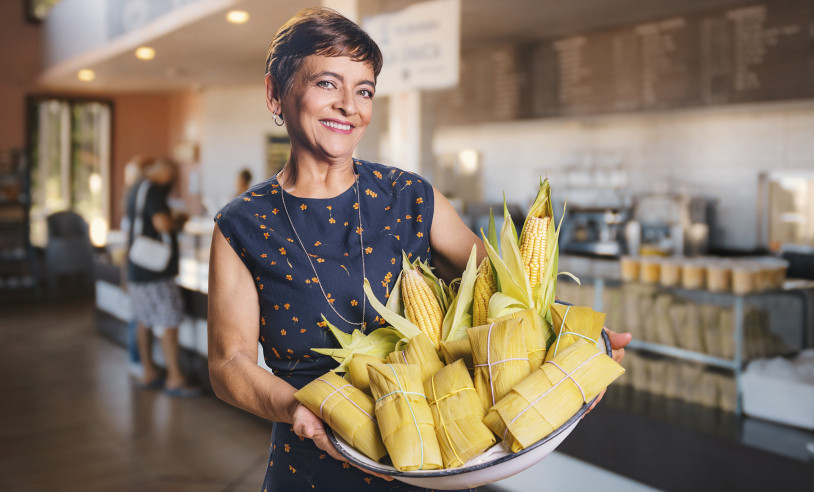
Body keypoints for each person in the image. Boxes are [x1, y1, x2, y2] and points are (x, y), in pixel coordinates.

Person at [207, 7, 630, 491]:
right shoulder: (242, 224)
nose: (350, 105)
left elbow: (504, 291)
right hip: (313, 469)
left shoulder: (410, 197)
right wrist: (294, 409)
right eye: (328, 84)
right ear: (275, 93)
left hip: (436, 462)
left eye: (363, 90)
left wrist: (574, 351)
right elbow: (228, 363)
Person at [126, 158, 200, 397]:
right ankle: (175, 378)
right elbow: (161, 223)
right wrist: (177, 221)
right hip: (155, 269)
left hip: (137, 265)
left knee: (143, 319)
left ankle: (148, 372)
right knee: (168, 318)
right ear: (166, 173)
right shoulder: (155, 190)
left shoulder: (137, 187)